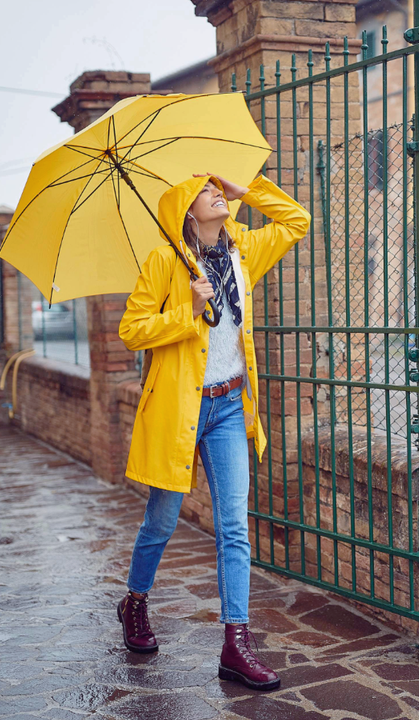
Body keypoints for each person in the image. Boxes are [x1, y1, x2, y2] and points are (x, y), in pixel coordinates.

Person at [117, 172, 310, 691]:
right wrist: (189, 310)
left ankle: (236, 643)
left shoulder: (244, 249)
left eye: (218, 189)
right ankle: (135, 603)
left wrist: (251, 189)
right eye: (206, 192)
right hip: (179, 411)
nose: (217, 194)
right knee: (161, 522)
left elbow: (298, 221)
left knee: (234, 529)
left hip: (228, 405)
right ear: (186, 211)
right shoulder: (165, 261)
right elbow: (131, 330)